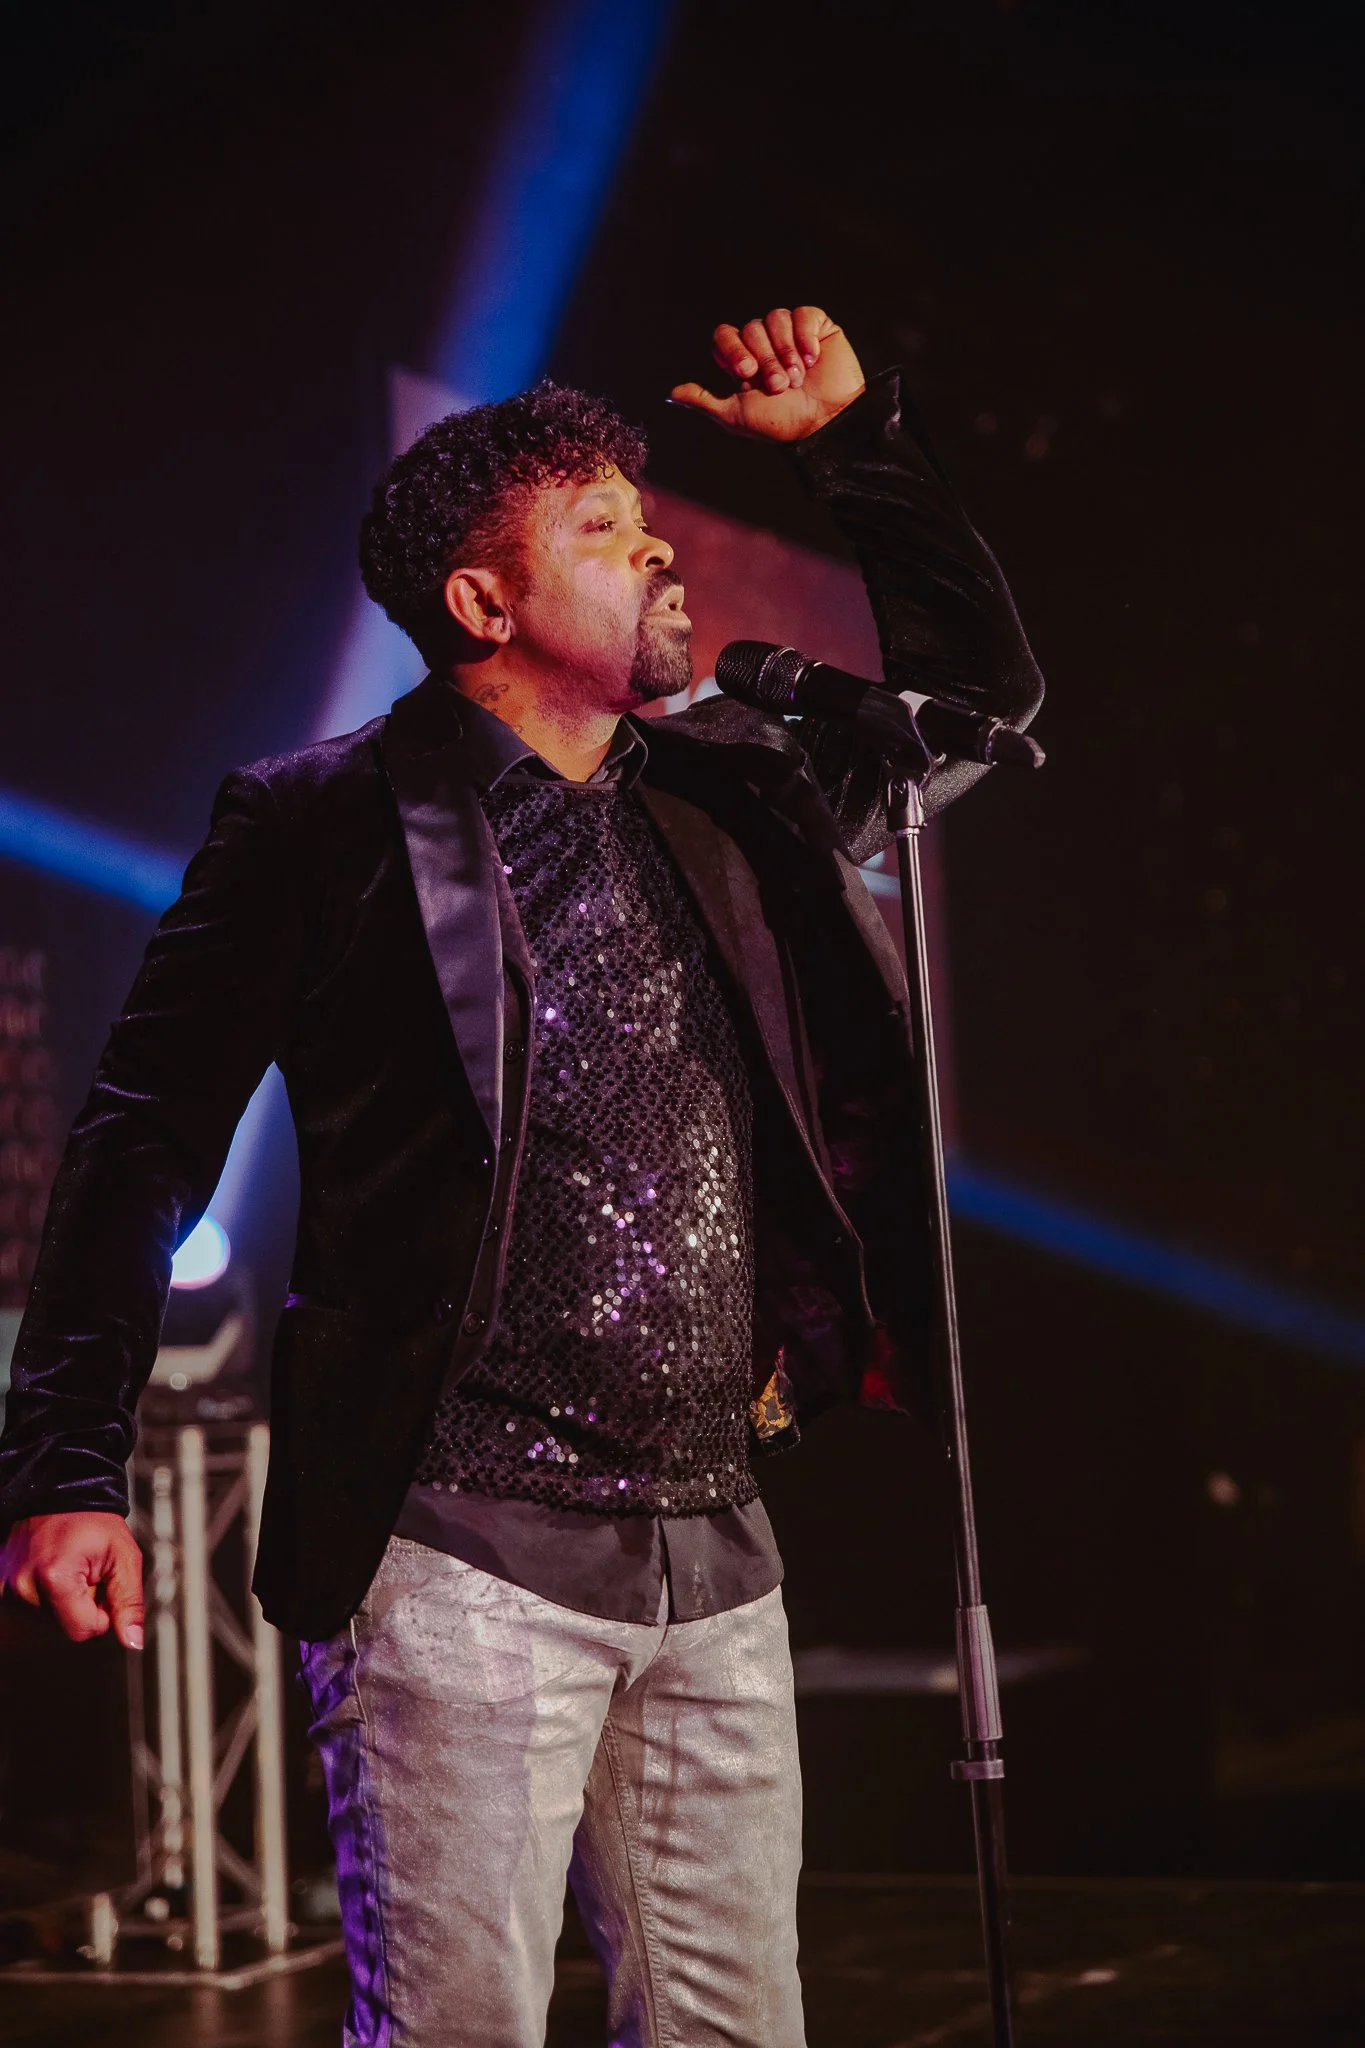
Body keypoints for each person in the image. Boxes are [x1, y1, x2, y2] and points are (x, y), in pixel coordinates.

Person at [0, 305, 1042, 2046]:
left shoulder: (740, 793)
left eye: (648, 519)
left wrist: (858, 449)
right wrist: (64, 1462)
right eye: (602, 528)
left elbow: (982, 704)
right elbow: (142, 1137)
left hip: (714, 1547)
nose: (658, 550)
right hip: (456, 1554)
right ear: (483, 605)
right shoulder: (322, 823)